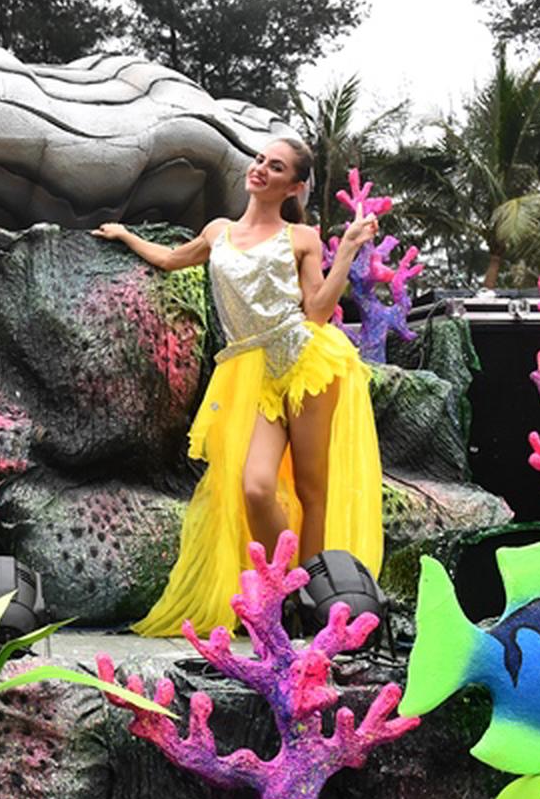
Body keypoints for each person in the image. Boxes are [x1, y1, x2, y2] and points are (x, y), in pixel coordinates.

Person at [95, 137, 384, 636]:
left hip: (306, 362)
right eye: (259, 160)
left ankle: (314, 603)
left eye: (276, 167)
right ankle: (287, 588)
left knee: (313, 490)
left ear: (293, 186)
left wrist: (348, 250)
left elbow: (317, 311)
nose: (261, 169)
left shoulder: (302, 237)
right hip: (254, 371)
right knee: (256, 487)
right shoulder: (218, 232)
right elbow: (170, 259)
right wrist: (125, 235)